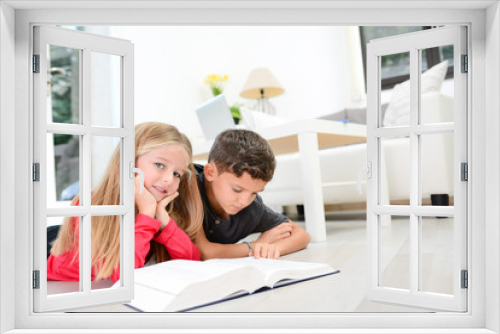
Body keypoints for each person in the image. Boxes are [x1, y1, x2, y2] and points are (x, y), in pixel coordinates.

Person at [47, 122, 203, 282]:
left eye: (177, 174)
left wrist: (165, 225)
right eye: (159, 165)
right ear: (130, 163)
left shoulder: (156, 212)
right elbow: (124, 277)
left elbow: (192, 264)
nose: (169, 179)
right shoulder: (88, 205)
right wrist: (146, 215)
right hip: (50, 275)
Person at [194, 129, 311, 260]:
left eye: (254, 193)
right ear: (210, 173)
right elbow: (204, 252)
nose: (244, 201)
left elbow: (302, 235)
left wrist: (270, 249)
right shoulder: (188, 186)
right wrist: (256, 245)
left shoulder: (252, 208)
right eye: (237, 190)